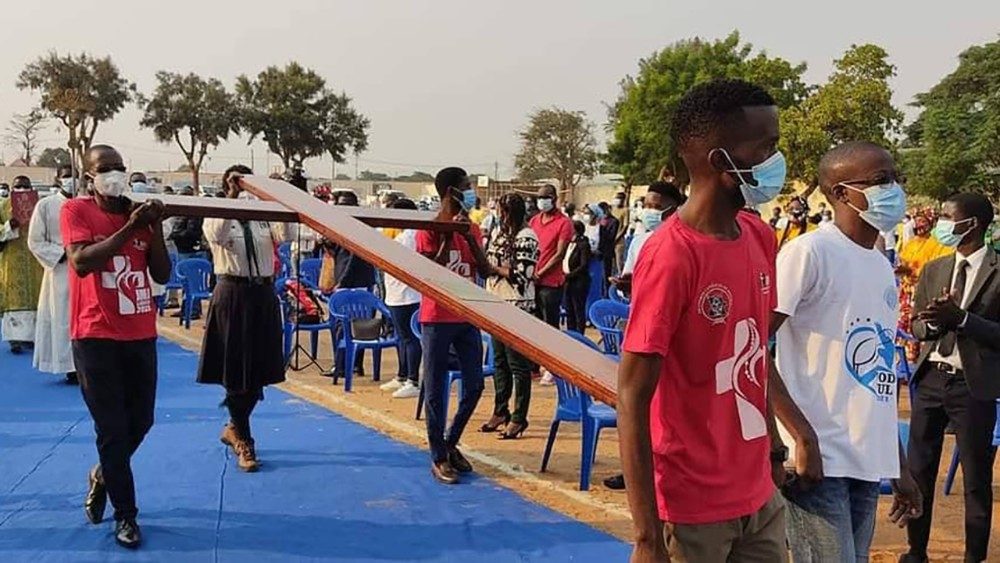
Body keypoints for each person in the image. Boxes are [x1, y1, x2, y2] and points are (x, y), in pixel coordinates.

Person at [617, 79, 792, 562]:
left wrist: (773, 447)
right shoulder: (672, 256)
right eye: (768, 148)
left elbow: (754, 354)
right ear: (721, 163)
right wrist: (648, 537)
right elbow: (632, 393)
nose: (778, 161)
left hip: (757, 495)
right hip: (693, 507)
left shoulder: (758, 237)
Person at [771, 142, 922, 562]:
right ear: (840, 193)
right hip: (820, 460)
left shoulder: (878, 265)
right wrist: (799, 436)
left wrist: (899, 466)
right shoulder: (809, 253)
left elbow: (878, 377)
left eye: (895, 178)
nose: (893, 189)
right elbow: (750, 348)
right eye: (879, 181)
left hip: (866, 460)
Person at [61, 145, 171, 548]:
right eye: (104, 169)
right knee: (111, 429)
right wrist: (128, 228)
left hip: (139, 332)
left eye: (119, 168)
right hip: (95, 335)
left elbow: (161, 271)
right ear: (89, 177)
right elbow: (82, 261)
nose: (114, 175)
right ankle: (126, 516)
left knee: (141, 422)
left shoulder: (138, 213)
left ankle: (104, 474)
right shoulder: (76, 211)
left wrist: (153, 227)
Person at [903, 192, 1000, 563]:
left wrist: (961, 319)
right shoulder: (935, 268)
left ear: (971, 224)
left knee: (975, 480)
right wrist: (929, 323)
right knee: (919, 472)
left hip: (972, 387)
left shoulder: (997, 269)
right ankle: (916, 551)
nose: (940, 222)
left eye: (947, 216)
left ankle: (973, 557)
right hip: (930, 380)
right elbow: (915, 324)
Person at [198, 164, 289, 474]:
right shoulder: (218, 211)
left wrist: (279, 196)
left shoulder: (262, 215)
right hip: (232, 293)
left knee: (260, 369)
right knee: (236, 368)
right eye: (237, 181)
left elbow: (285, 233)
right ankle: (244, 438)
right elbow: (216, 235)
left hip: (262, 293)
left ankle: (235, 427)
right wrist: (232, 196)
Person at [416, 167, 491, 484]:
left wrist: (469, 240)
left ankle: (450, 442)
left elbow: (483, 269)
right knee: (435, 389)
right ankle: (438, 456)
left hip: (466, 316)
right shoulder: (428, 229)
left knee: (474, 385)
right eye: (466, 186)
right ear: (450, 192)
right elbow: (428, 272)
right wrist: (448, 237)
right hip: (437, 318)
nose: (471, 191)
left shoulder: (472, 229)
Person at [481, 193, 539, 439]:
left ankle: (519, 416)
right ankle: (500, 409)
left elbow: (521, 274)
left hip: (516, 305)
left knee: (517, 364)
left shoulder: (527, 237)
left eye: (504, 212)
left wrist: (492, 268)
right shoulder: (499, 233)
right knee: (500, 361)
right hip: (496, 301)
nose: (500, 216)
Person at [28, 165, 78, 383]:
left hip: (87, 267)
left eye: (74, 177)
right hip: (60, 271)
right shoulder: (46, 205)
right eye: (66, 176)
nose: (70, 181)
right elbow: (35, 240)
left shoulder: (89, 204)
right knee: (62, 317)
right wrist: (62, 254)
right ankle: (69, 366)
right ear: (58, 179)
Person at [323, 190, 377, 380]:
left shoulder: (358, 226)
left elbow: (354, 257)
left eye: (344, 204)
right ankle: (352, 365)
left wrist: (341, 283)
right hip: (349, 280)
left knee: (347, 325)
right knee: (349, 325)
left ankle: (343, 365)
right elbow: (337, 251)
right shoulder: (341, 225)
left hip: (355, 282)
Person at [379, 198, 423, 399]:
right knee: (401, 337)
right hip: (396, 293)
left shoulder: (409, 237)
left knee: (410, 337)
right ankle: (402, 374)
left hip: (408, 295)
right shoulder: (401, 235)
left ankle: (413, 380)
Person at [614, 181, 687, 295]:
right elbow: (628, 278)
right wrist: (626, 285)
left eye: (656, 207)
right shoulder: (638, 242)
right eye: (646, 206)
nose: (648, 211)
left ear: (672, 211)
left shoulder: (685, 244)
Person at [897, 215, 953, 360]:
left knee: (923, 323)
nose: (920, 226)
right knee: (906, 325)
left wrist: (914, 271)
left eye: (923, 222)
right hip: (908, 291)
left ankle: (919, 360)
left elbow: (936, 268)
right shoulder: (912, 244)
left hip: (925, 289)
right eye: (917, 223)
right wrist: (903, 269)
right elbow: (906, 261)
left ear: (930, 224)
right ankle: (905, 360)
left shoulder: (938, 244)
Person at [0, 175, 44, 354]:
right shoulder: (2, 207)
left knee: (36, 298)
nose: (22, 190)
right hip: (12, 260)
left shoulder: (39, 206)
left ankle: (33, 336)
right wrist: (10, 226)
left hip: (34, 260)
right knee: (14, 300)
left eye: (26, 186)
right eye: (18, 187)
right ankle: (14, 339)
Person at [529, 184, 573, 329]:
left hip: (550, 284)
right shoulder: (534, 221)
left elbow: (559, 254)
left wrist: (539, 274)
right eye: (539, 197)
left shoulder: (564, 223)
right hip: (532, 281)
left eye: (545, 197)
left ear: (554, 198)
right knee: (532, 324)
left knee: (549, 326)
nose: (541, 200)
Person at [562, 220, 592, 334]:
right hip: (567, 281)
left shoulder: (583, 245)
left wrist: (570, 275)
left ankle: (579, 334)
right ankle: (571, 333)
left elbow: (583, 265)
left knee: (578, 309)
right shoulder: (568, 244)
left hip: (578, 282)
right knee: (569, 309)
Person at [597, 201, 620, 284]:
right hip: (598, 251)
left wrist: (602, 228)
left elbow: (611, 237)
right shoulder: (598, 220)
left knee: (606, 273)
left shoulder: (614, 221)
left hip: (607, 251)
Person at [610, 190, 630, 272]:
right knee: (611, 263)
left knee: (619, 262)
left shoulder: (625, 210)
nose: (617, 200)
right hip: (610, 239)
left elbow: (625, 226)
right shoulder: (612, 209)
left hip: (619, 240)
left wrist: (617, 238)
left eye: (619, 198)